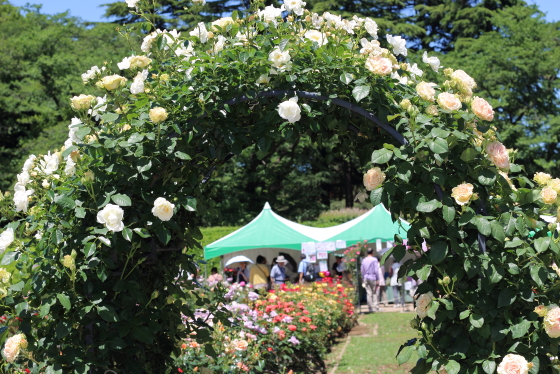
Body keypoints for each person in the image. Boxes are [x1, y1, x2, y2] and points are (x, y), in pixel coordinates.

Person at [361, 248, 381, 313]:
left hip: (366, 277)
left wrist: (363, 279)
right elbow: (376, 270)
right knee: (374, 292)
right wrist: (378, 279)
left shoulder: (364, 260)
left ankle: (370, 307)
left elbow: (362, 271)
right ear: (372, 252)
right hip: (373, 277)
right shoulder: (374, 260)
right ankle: (375, 307)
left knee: (369, 293)